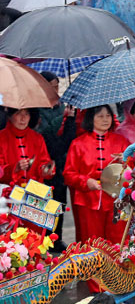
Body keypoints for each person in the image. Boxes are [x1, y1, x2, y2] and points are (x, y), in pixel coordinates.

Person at [63, 106, 128, 293]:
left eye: (108, 115)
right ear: (91, 119)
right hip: (89, 202)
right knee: (92, 244)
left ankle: (117, 282)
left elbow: (131, 168)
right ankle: (96, 287)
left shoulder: (121, 141)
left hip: (116, 200)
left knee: (116, 242)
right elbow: (68, 174)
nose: (105, 119)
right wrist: (86, 181)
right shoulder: (78, 143)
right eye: (100, 116)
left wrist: (125, 163)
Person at [37, 73, 77, 252]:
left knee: (60, 202)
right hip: (45, 160)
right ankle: (43, 237)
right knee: (45, 203)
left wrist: (69, 118)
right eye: (49, 86)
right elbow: (46, 134)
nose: (53, 89)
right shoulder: (37, 108)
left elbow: (68, 138)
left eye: (56, 85)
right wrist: (64, 119)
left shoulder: (61, 106)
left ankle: (57, 237)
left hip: (62, 162)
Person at [0, 107, 55, 187]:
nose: (23, 119)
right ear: (10, 116)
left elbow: (44, 161)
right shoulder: (1, 137)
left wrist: (45, 169)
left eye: (26, 114)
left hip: (33, 191)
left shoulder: (37, 138)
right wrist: (14, 168)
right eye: (18, 113)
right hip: (8, 192)